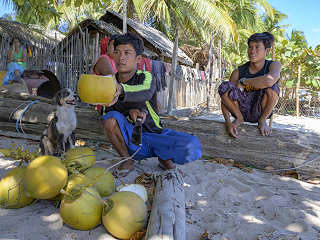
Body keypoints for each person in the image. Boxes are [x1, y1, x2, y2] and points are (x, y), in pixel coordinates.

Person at [102, 32, 202, 177]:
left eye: (127, 53)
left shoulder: (146, 77)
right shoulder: (108, 84)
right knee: (110, 119)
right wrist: (129, 114)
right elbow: (107, 111)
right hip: (131, 141)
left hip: (154, 134)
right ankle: (127, 160)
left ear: (138, 59)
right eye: (117, 52)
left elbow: (145, 93)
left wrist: (123, 91)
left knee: (192, 146)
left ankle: (163, 156)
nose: (121, 57)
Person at [218, 32, 281, 137]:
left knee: (273, 87)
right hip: (240, 111)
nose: (252, 51)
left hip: (260, 111)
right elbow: (224, 98)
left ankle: (262, 121)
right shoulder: (238, 71)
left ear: (267, 50)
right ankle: (239, 119)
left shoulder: (274, 65)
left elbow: (269, 81)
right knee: (225, 86)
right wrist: (228, 123)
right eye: (250, 47)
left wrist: (243, 82)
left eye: (257, 47)